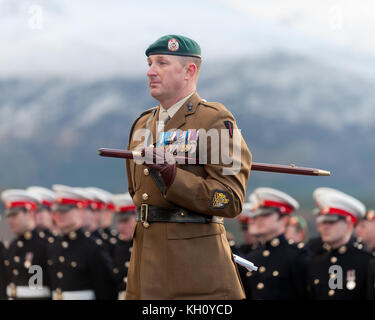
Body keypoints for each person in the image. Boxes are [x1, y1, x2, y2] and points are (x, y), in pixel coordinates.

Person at [125, 34, 252, 299]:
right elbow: (138, 195)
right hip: (144, 269)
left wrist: (174, 178)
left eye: (161, 63)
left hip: (195, 272)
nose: (150, 71)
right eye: (149, 63)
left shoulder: (214, 121)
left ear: (189, 71)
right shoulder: (141, 125)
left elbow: (229, 199)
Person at [48, 185, 117, 300]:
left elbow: (106, 291)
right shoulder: (53, 246)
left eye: (64, 211)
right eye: (57, 211)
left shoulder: (93, 247)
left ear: (80, 211)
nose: (59, 215)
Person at [241, 187, 310, 300]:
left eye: (266, 215)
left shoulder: (297, 255)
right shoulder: (252, 257)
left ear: (283, 219)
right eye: (257, 215)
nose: (259, 219)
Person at [307, 187, 375, 300]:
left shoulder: (367, 263)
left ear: (349, 224)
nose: (324, 227)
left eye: (331, 221)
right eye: (322, 222)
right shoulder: (315, 263)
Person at [1, 189, 51, 300]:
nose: (10, 221)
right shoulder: (14, 245)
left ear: (30, 213)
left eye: (14, 215)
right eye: (8, 216)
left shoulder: (45, 245)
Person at [110, 193, 136, 300]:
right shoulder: (115, 246)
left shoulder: (150, 246)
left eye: (125, 221)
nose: (120, 227)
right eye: (119, 221)